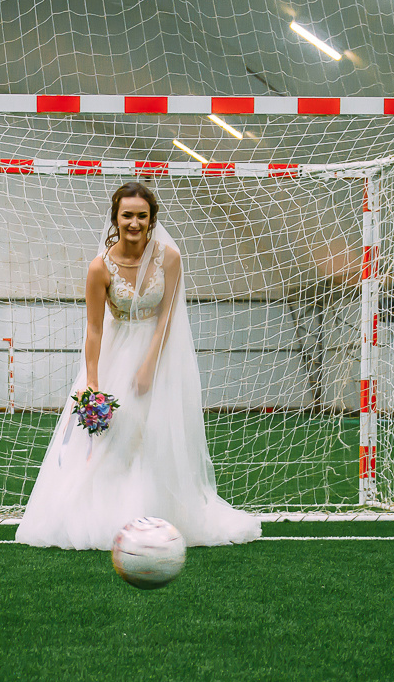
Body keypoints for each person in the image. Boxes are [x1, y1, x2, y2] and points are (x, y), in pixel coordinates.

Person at [16, 181, 260, 550]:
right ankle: (108, 517)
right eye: (127, 215)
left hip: (162, 355)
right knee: (115, 439)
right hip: (115, 354)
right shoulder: (100, 267)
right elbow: (95, 329)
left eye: (141, 216)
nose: (134, 222)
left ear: (151, 219)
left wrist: (149, 365)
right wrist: (92, 385)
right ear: (115, 218)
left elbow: (168, 318)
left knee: (157, 434)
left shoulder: (171, 258)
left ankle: (159, 516)